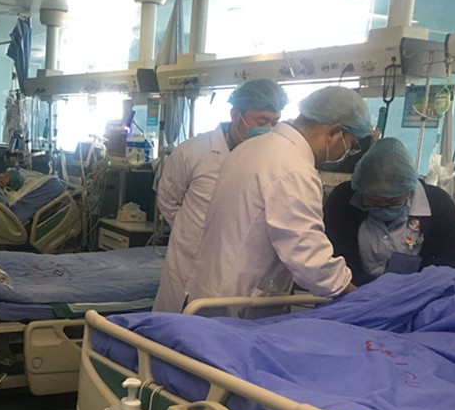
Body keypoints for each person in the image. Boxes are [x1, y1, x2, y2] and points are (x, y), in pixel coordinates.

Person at [185, 85, 373, 306]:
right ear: (333, 133)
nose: (347, 151)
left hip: (210, 288)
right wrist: (359, 297)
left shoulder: (252, 147)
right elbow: (309, 258)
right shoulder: (293, 169)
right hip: (233, 302)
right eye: (350, 144)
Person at [154, 79, 289, 312]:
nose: (268, 128)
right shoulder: (193, 152)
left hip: (242, 266)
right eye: (261, 121)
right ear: (236, 115)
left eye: (274, 122)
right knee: (176, 322)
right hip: (190, 258)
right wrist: (195, 230)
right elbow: (168, 201)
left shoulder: (274, 157)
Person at [324, 137, 455, 286]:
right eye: (374, 202)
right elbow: (329, 253)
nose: (383, 208)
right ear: (361, 191)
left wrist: (418, 288)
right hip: (353, 288)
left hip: (418, 289)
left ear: (410, 190)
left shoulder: (437, 202)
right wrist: (361, 291)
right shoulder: (343, 200)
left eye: (393, 202)